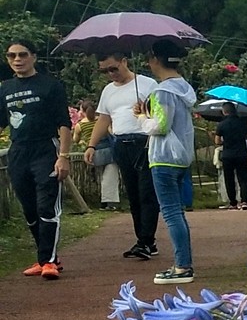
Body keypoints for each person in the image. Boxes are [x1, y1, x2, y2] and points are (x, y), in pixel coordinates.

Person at [2, 38, 72, 279]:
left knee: (46, 206)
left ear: (33, 57)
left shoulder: (50, 86)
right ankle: (45, 257)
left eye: (22, 55)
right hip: (18, 152)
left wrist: (63, 156)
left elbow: (64, 123)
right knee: (30, 208)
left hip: (45, 150)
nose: (17, 60)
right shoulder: (5, 88)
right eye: (12, 56)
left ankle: (50, 261)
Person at [85, 53, 159, 259]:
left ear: (124, 62)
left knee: (146, 192)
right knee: (133, 193)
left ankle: (146, 239)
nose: (111, 74)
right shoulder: (108, 91)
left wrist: (145, 110)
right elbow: (103, 119)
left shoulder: (147, 84)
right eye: (105, 71)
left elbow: (161, 111)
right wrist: (91, 145)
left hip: (143, 140)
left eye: (113, 68)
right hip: (120, 142)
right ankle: (143, 240)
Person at [139, 40, 197, 284]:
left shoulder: (162, 91)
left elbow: (160, 126)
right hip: (181, 157)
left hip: (163, 159)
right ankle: (183, 263)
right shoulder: (183, 88)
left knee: (171, 213)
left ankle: (182, 266)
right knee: (178, 213)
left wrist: (143, 118)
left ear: (155, 59)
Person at [215, 102, 247, 209]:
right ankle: (244, 201)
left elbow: (217, 141)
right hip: (242, 153)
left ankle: (233, 202)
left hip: (227, 155)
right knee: (243, 178)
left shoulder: (221, 125)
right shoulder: (243, 123)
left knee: (229, 179)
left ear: (224, 111)